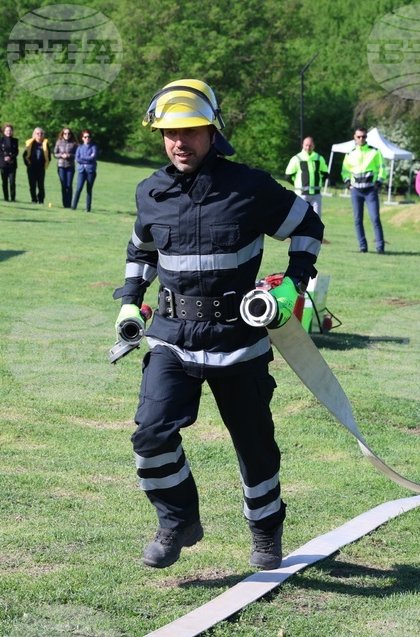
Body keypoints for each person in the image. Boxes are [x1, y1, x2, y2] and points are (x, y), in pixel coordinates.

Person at [114, 79, 322, 571]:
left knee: (255, 446)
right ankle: (177, 521)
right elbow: (140, 251)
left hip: (239, 342)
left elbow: (308, 225)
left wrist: (291, 286)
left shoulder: (250, 188)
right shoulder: (151, 192)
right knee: (151, 434)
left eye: (189, 131)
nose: (178, 142)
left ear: (212, 132)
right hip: (171, 338)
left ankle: (266, 533)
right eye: (169, 133)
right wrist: (129, 302)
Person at [341, 128, 386, 253]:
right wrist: (348, 184)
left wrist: (379, 182)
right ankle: (363, 246)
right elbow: (344, 171)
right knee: (357, 219)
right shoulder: (350, 154)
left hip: (370, 190)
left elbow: (382, 168)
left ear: (366, 137)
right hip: (356, 191)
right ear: (355, 137)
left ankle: (380, 247)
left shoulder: (375, 152)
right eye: (359, 137)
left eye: (363, 136)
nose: (361, 139)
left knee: (375, 218)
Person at [284, 136, 328, 217]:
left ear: (314, 146)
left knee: (317, 220)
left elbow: (325, 174)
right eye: (306, 145)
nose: (308, 147)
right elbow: (288, 176)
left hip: (316, 195)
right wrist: (297, 184)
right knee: (300, 219)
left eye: (310, 145)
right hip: (302, 195)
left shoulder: (319, 158)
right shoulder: (297, 158)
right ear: (303, 145)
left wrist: (319, 183)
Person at [71, 129, 97, 211]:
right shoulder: (79, 147)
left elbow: (93, 157)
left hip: (90, 171)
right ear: (82, 138)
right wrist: (87, 158)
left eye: (89, 137)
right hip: (81, 170)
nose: (87, 138)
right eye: (85, 137)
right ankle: (74, 206)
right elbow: (77, 159)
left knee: (89, 189)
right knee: (79, 188)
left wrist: (83, 158)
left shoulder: (94, 147)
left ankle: (88, 208)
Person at [23, 127, 50, 204]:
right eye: (37, 133)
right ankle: (34, 199)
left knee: (41, 185)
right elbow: (24, 155)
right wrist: (28, 164)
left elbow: (48, 156)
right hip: (31, 167)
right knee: (32, 185)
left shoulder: (45, 144)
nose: (39, 135)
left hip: (41, 168)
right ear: (34, 135)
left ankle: (41, 200)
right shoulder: (30, 144)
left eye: (41, 133)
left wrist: (45, 164)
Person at [54, 126, 77, 208]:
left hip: (70, 166)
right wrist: (61, 155)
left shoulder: (74, 143)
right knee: (63, 185)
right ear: (62, 134)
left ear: (71, 134)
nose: (67, 135)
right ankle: (65, 204)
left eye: (69, 133)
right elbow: (55, 154)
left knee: (69, 185)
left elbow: (77, 155)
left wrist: (69, 155)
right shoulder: (59, 142)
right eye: (65, 133)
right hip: (61, 166)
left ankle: (69, 203)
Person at [0, 123, 19, 202]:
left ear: (12, 131)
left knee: (12, 181)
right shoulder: (1, 139)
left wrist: (11, 157)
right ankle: (6, 198)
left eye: (10, 130)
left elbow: (16, 152)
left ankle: (13, 198)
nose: (8, 132)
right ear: (4, 131)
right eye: (7, 130)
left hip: (12, 163)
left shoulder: (15, 141)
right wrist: (5, 156)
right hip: (3, 163)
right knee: (4, 181)